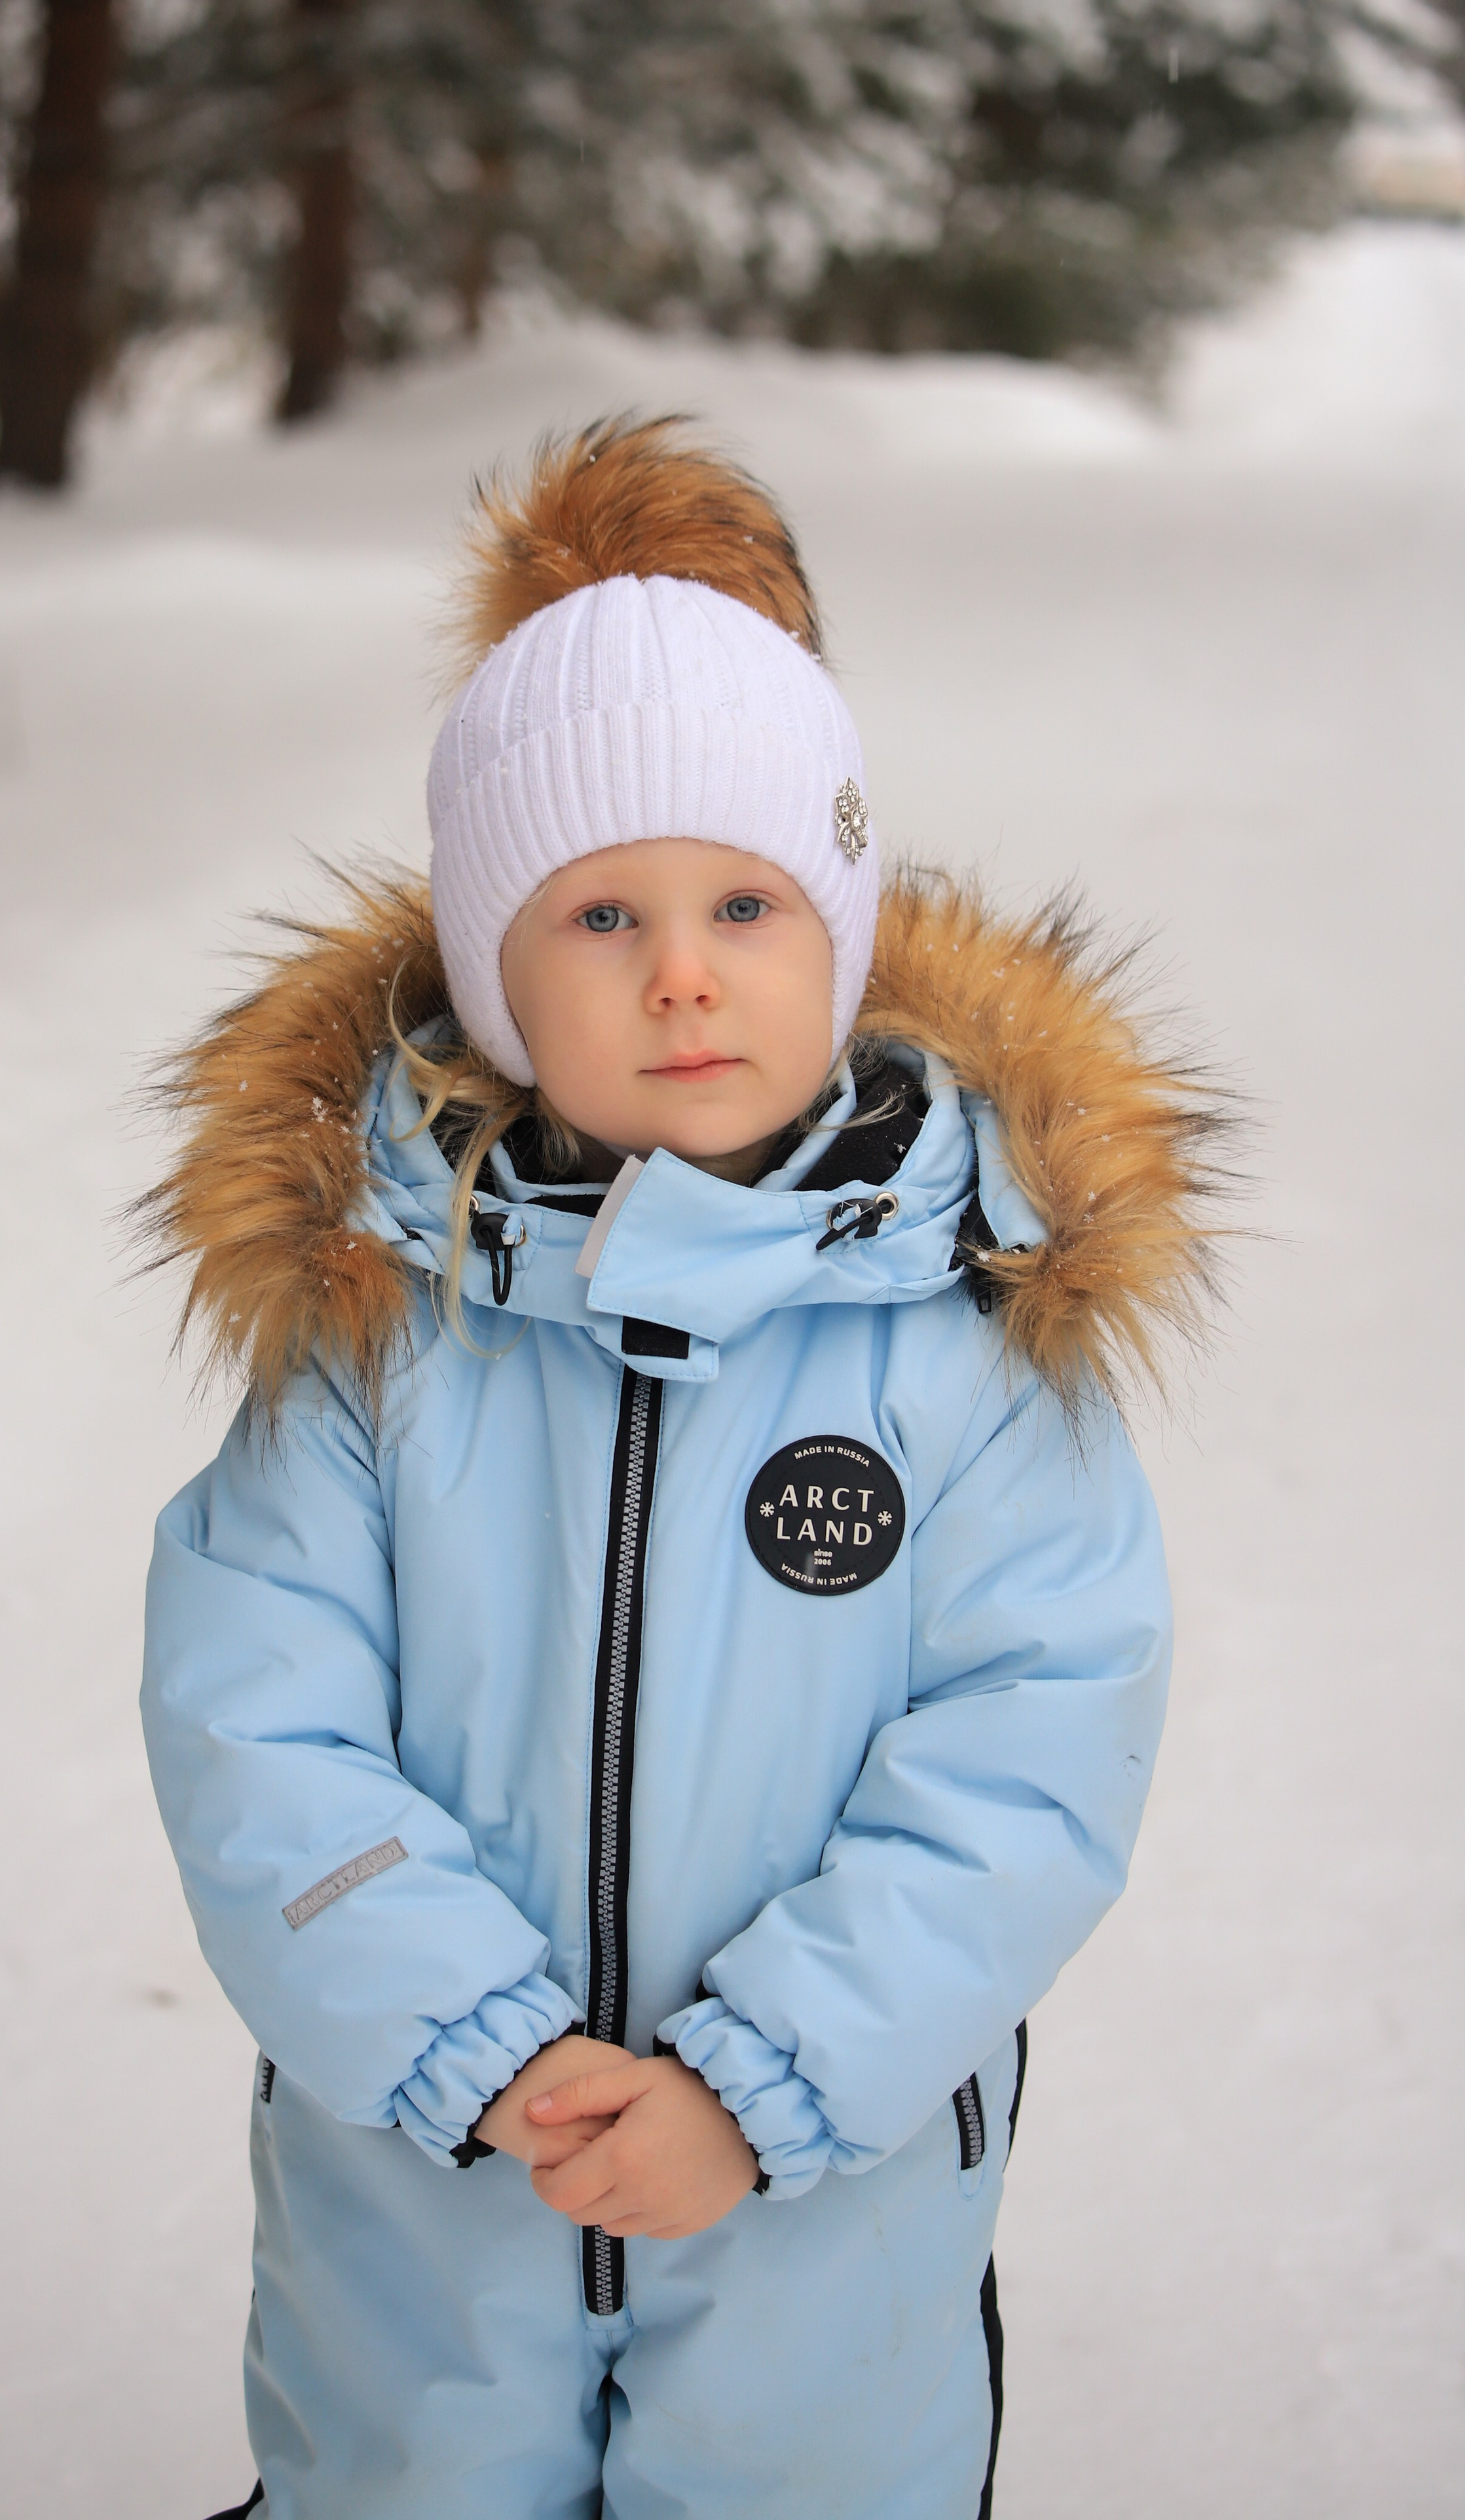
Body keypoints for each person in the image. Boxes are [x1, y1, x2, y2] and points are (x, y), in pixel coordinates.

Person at [139, 416, 1221, 2520]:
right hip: (432, 2191)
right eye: (598, 914)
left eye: (746, 898)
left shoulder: (970, 1334)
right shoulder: (385, 1323)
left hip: (829, 2197)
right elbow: (253, 1719)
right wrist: (466, 2043)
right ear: (491, 974)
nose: (686, 971)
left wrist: (768, 2079)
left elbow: (1035, 1745)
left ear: (839, 921)